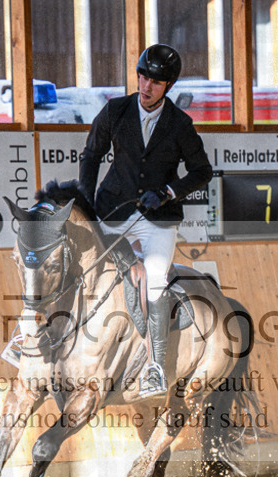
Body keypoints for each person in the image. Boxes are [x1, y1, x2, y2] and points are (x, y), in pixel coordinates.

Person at [78, 43, 213, 398]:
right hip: (114, 209)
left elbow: (202, 171)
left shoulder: (180, 124)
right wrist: (86, 205)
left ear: (168, 86)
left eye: (155, 81)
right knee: (77, 262)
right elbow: (91, 156)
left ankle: (155, 367)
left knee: (155, 281)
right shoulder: (116, 110)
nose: (146, 86)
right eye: (143, 77)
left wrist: (169, 192)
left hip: (157, 219)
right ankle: (29, 337)